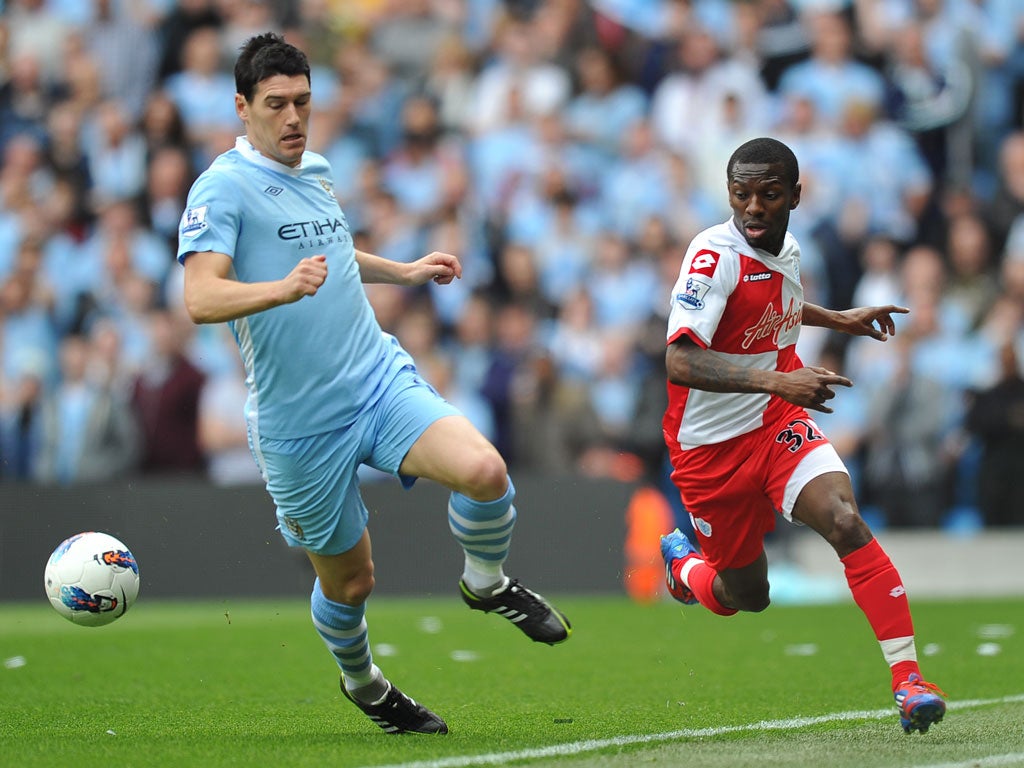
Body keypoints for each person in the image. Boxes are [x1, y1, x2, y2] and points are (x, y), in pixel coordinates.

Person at [176, 33, 570, 736]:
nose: (294, 118)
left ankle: (485, 582)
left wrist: (403, 270)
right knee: (352, 584)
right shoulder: (220, 189)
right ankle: (365, 685)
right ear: (242, 107)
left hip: (374, 379)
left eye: (303, 102)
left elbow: (327, 250)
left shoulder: (317, 168)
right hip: (299, 425)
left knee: (484, 471)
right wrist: (279, 290)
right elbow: (200, 297)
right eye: (276, 105)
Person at [657, 137, 946, 734]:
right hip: (708, 451)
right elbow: (680, 363)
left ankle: (909, 681)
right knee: (748, 595)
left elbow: (775, 305)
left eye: (768, 194)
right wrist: (777, 380)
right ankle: (685, 568)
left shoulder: (785, 248)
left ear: (794, 195)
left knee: (844, 520)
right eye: (742, 194)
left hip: (773, 423)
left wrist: (837, 318)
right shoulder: (712, 255)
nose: (753, 208)